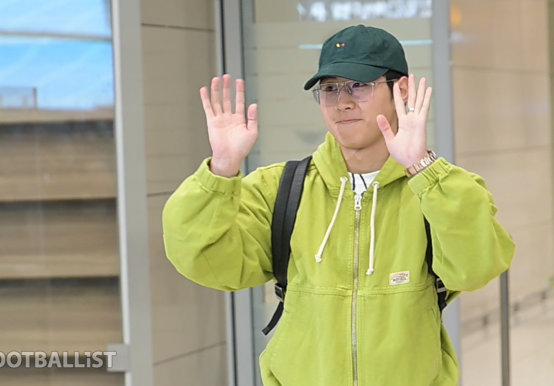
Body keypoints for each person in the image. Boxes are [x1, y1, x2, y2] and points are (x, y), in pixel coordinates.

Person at [162, 25, 515, 386]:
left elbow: (476, 267)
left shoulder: (439, 188)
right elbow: (203, 259)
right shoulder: (282, 189)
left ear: (402, 89)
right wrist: (221, 169)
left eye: (359, 85)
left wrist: (421, 167)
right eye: (329, 88)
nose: (342, 102)